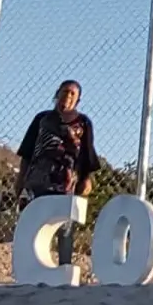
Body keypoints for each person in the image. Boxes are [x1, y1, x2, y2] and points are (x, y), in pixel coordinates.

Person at [15, 79, 101, 265]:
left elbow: (87, 154)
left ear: (78, 100)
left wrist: (86, 178)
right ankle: (28, 267)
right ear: (57, 93)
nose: (67, 97)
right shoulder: (42, 119)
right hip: (37, 180)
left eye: (72, 94)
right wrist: (20, 179)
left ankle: (64, 267)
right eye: (65, 92)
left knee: (65, 229)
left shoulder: (83, 123)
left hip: (66, 183)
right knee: (32, 226)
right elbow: (27, 152)